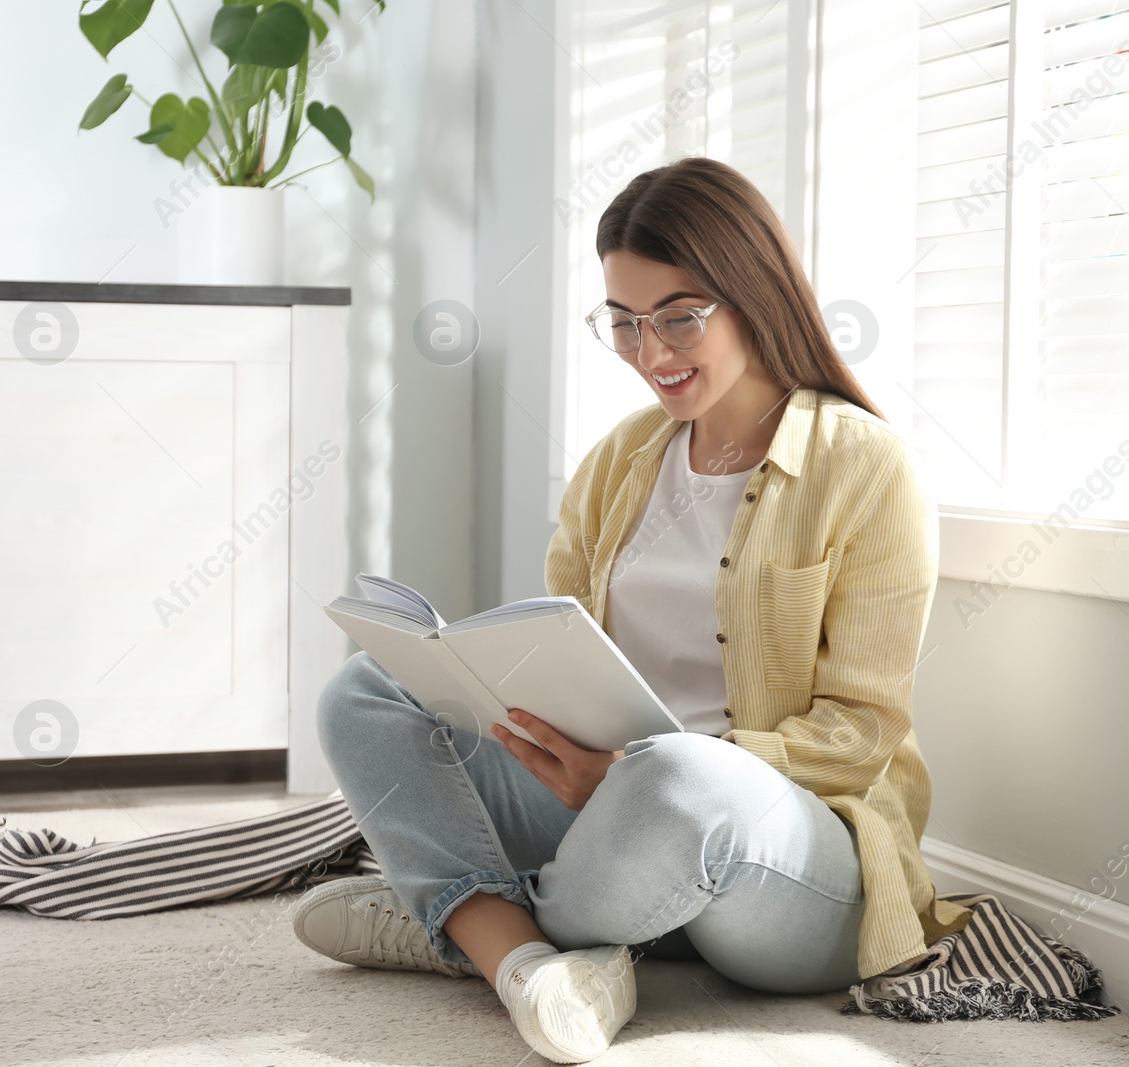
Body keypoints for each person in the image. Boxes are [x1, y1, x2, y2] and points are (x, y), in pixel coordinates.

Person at [293, 156, 969, 1063]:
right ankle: (532, 958)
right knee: (363, 691)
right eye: (624, 323)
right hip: (600, 818)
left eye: (680, 317)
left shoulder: (865, 467)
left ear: (754, 292)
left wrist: (639, 768)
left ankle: (463, 921)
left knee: (682, 779)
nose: (651, 353)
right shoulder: (621, 459)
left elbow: (859, 733)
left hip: (786, 852)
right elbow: (562, 652)